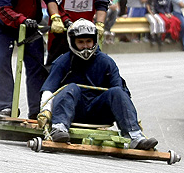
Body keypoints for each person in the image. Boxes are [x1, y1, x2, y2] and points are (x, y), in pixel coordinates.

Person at [37, 19, 158, 150]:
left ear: (95, 40)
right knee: (71, 87)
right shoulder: (62, 61)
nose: (85, 46)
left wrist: (132, 117)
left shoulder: (107, 62)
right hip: (71, 113)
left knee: (116, 91)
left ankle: (135, 136)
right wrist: (45, 111)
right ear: (72, 42)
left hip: (99, 113)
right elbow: (49, 90)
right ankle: (59, 129)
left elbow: (121, 94)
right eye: (81, 42)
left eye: (88, 41)